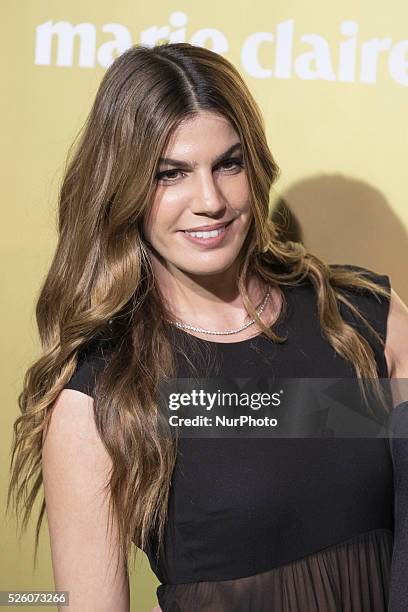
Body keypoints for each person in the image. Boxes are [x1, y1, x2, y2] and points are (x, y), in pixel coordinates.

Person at [6, 42, 408, 612]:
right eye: (171, 174)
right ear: (122, 190)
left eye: (228, 163)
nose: (210, 201)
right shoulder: (105, 393)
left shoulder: (363, 317)